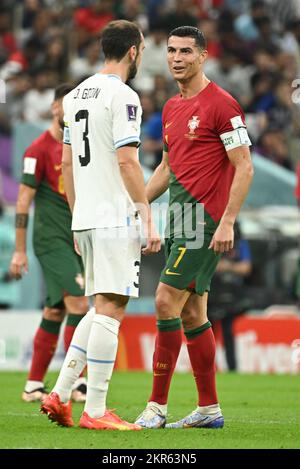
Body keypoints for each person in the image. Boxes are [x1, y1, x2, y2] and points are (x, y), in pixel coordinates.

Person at [40, 20, 160, 431]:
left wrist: (76, 216)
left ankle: (59, 392)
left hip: (87, 216)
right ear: (133, 51)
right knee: (113, 308)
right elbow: (127, 161)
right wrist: (145, 211)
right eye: (142, 50)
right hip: (113, 216)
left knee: (99, 306)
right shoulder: (124, 96)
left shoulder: (74, 96)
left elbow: (67, 163)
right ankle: (95, 410)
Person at [135, 26, 254, 429]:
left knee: (165, 300)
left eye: (186, 51)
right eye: (170, 50)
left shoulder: (223, 105)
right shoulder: (170, 109)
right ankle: (209, 409)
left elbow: (244, 166)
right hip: (180, 219)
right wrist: (135, 204)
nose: (176, 57)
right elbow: (167, 170)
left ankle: (156, 407)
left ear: (203, 56)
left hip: (204, 220)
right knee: (191, 314)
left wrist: (228, 222)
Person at [10, 84, 89, 403]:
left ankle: (32, 385)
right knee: (80, 304)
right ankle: (78, 383)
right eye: (66, 104)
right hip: (51, 239)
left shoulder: (81, 146)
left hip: (76, 239)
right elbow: (22, 200)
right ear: (55, 108)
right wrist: (18, 249)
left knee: (55, 311)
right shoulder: (38, 149)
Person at [208, 221, 253, 371]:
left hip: (232, 297)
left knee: (228, 333)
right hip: (212, 294)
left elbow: (246, 268)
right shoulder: (211, 237)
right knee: (208, 334)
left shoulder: (241, 243)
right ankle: (206, 367)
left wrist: (227, 266)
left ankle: (232, 368)